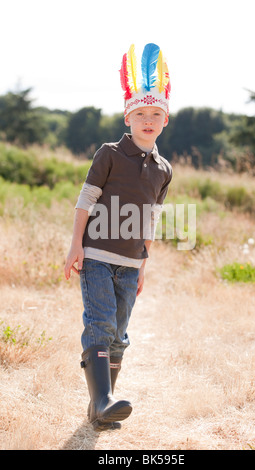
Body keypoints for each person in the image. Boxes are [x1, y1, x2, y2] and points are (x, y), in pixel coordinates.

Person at [64, 43, 172, 431]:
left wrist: (144, 264)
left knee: (119, 335)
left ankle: (99, 410)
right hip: (96, 254)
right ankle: (105, 399)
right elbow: (86, 199)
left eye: (155, 113)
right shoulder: (109, 153)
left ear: (165, 120)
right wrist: (76, 243)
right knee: (101, 323)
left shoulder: (164, 168)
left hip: (130, 264)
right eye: (140, 113)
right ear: (128, 117)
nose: (147, 119)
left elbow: (152, 219)